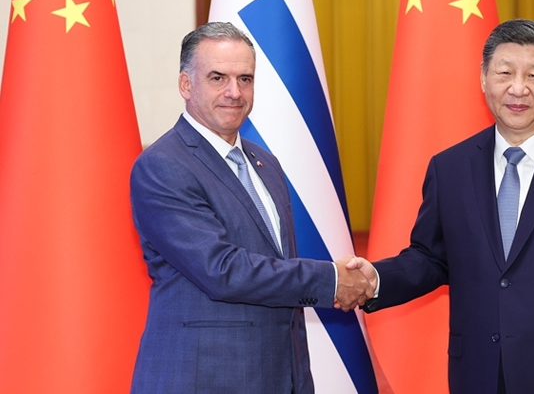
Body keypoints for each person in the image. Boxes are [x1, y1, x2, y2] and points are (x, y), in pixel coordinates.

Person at [349, 18, 534, 393]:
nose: (518, 88)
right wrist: (375, 279)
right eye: (505, 72)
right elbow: (431, 258)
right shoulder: (450, 167)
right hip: (479, 376)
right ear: (483, 78)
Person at [129, 22, 373, 394]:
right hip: (205, 380)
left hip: (279, 377)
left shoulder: (265, 164)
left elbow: (277, 269)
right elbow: (222, 269)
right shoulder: (163, 165)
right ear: (185, 85)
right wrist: (333, 281)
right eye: (217, 78)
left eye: (245, 79)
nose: (234, 92)